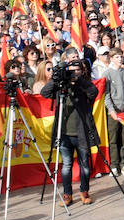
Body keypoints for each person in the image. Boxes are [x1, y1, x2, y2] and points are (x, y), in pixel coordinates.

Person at [39, 51, 100, 204]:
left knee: (85, 165)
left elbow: (94, 92)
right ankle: (67, 194)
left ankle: (84, 191)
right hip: (64, 133)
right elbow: (44, 93)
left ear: (82, 70)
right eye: (71, 70)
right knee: (66, 165)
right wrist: (56, 79)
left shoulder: (84, 85)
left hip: (82, 133)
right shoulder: (61, 87)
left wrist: (78, 80)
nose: (74, 72)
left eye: (77, 69)